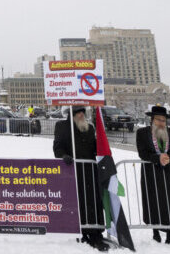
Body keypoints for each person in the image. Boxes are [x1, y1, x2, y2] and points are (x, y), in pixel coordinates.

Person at [54, 106, 108, 252]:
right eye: (78, 113)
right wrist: (63, 156)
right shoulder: (62, 127)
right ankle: (85, 231)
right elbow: (57, 148)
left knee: (94, 202)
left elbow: (95, 149)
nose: (81, 115)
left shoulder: (89, 128)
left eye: (82, 113)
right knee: (81, 203)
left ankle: (97, 231)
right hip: (74, 172)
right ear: (72, 114)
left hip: (90, 171)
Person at [135, 105, 170, 244]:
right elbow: (142, 153)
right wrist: (157, 159)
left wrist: (168, 158)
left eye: (163, 120)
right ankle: (155, 231)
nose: (161, 123)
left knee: (169, 202)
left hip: (167, 172)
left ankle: (169, 234)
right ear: (152, 120)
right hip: (150, 172)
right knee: (153, 201)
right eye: (159, 120)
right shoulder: (142, 133)